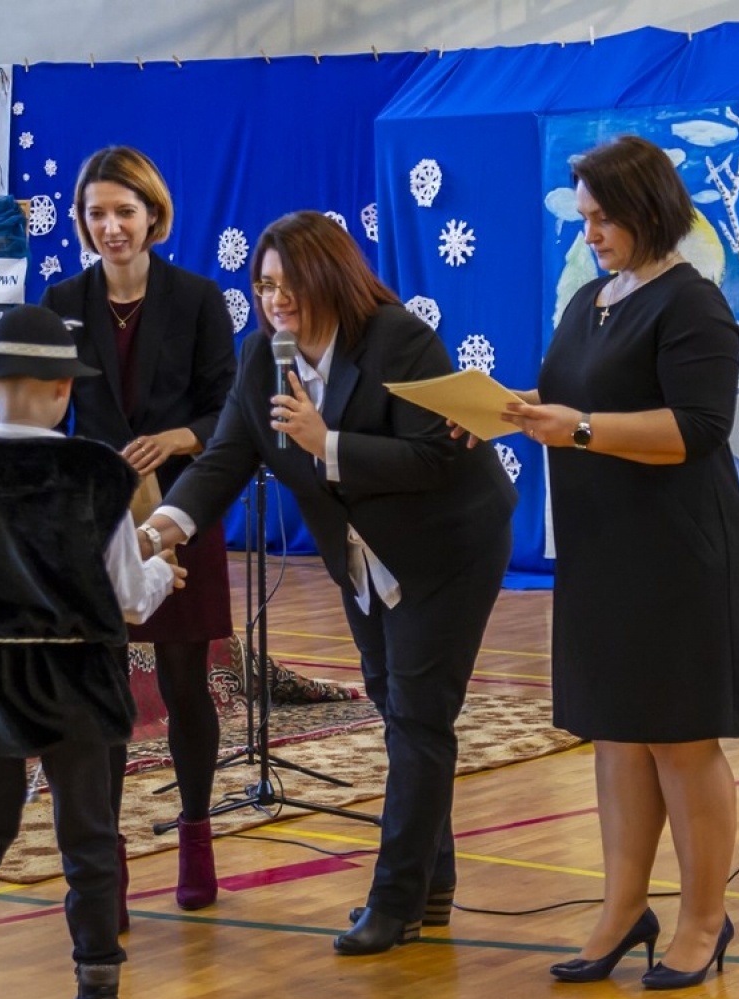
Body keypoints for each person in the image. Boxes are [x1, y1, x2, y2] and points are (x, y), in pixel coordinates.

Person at [138, 210, 517, 956]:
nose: (275, 299)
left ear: (330, 277)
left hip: (448, 545)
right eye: (263, 284)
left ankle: (396, 901)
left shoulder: (397, 339)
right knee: (395, 705)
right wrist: (155, 532)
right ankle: (432, 882)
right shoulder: (262, 358)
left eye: (290, 284)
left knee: (419, 715)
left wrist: (327, 442)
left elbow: (433, 456)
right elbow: (224, 459)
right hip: (362, 553)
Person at [495, 135, 739, 990]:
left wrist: (575, 428)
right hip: (602, 544)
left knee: (680, 737)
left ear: (650, 211)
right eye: (584, 219)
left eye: (605, 218)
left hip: (679, 549)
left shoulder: (694, 304)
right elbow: (569, 399)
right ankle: (622, 907)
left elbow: (696, 429)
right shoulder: (590, 300)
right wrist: (506, 411)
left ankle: (705, 918)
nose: (592, 233)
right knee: (616, 732)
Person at [0, 304, 182, 999]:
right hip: (75, 674)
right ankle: (99, 993)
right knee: (88, 835)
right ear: (65, 390)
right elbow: (128, 598)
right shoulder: (99, 473)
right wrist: (163, 569)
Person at [42, 146, 236, 920]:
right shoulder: (62, 300)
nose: (111, 226)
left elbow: (230, 412)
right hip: (96, 514)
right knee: (103, 686)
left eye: (125, 211)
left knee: (186, 683)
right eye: (96, 213)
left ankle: (196, 834)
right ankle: (105, 860)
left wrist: (179, 438)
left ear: (154, 215)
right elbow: (46, 408)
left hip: (181, 505)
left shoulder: (198, 299)